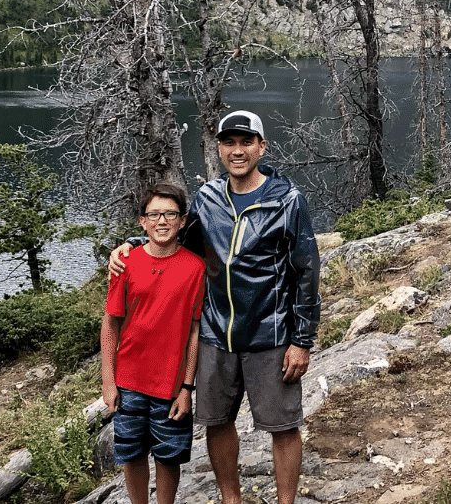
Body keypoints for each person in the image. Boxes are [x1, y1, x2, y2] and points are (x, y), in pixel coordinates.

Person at [109, 110, 321, 504]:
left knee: (283, 426)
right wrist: (133, 244)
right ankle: (230, 499)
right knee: (217, 421)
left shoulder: (288, 201)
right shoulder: (208, 199)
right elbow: (175, 237)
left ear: (261, 147)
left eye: (246, 142)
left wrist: (301, 340)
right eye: (229, 143)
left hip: (270, 334)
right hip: (215, 333)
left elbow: (306, 272)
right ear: (219, 149)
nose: (237, 151)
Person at [101, 183, 205, 504]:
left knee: (168, 456)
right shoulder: (125, 263)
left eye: (170, 214)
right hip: (128, 381)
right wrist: (108, 380)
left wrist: (187, 388)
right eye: (154, 214)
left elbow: (194, 331)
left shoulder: (195, 268)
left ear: (182, 221)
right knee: (132, 455)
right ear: (142, 221)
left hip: (171, 385)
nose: (162, 221)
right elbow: (111, 323)